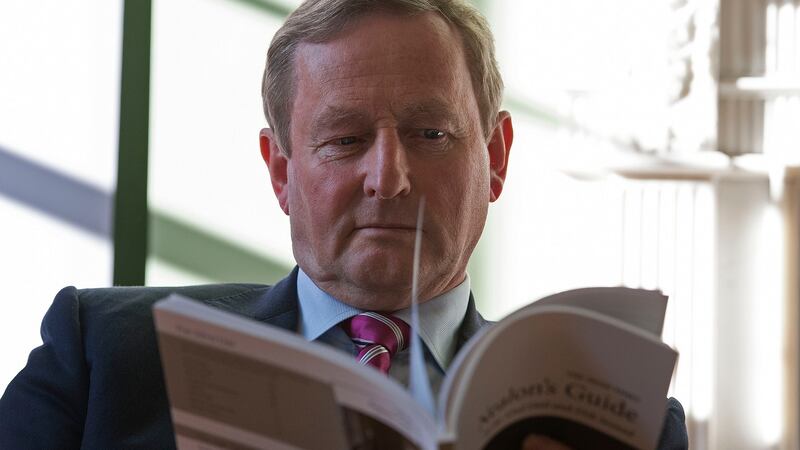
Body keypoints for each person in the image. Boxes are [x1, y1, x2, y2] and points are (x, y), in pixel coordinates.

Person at [0, 0, 688, 449]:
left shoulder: (619, 418)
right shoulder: (102, 355)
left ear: (497, 157)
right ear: (281, 172)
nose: (389, 178)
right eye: (344, 139)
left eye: (430, 133)